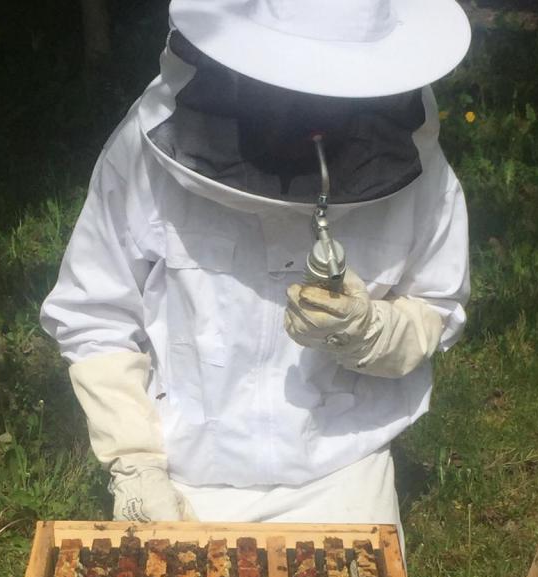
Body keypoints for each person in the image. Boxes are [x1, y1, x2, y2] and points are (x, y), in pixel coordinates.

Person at [41, 0, 471, 530]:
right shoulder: (142, 152)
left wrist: (369, 332)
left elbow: (436, 304)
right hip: (182, 468)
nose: (314, 107)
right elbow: (94, 313)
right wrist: (135, 463)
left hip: (340, 467)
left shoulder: (416, 169)